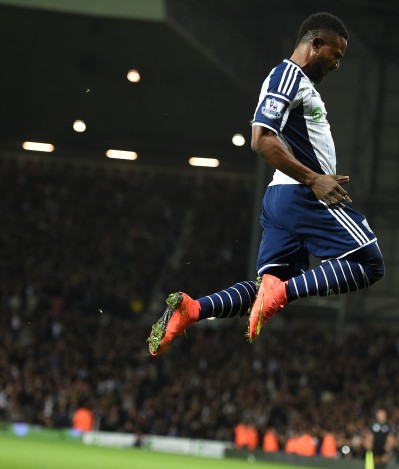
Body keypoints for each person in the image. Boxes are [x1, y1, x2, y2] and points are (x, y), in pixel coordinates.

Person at [147, 11, 384, 354]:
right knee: (369, 263)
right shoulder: (288, 77)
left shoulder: (298, 85)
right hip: (302, 195)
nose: (337, 64)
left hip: (284, 199)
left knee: (267, 287)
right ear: (316, 44)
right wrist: (315, 179)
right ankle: (282, 293)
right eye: (336, 55)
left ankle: (193, 309)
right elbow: (261, 139)